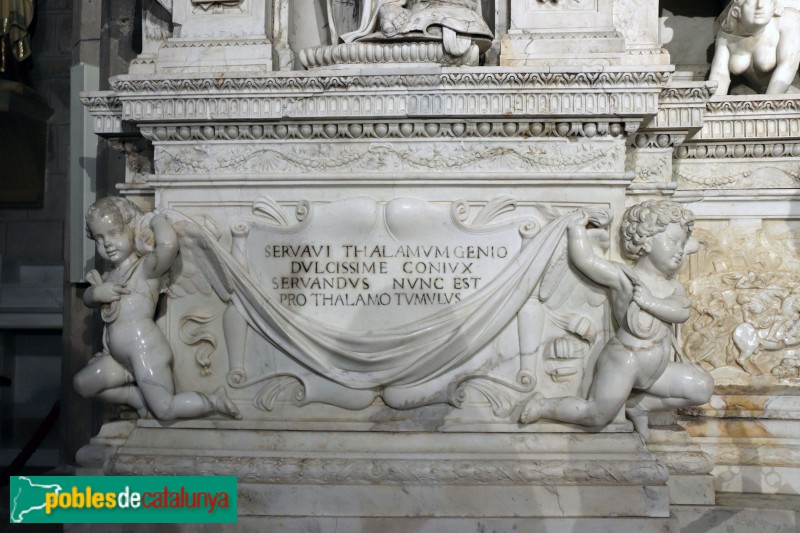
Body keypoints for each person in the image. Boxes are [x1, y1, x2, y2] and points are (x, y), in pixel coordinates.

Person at [519, 201, 714, 440]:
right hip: (626, 360)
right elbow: (586, 261)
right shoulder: (626, 278)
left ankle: (639, 406)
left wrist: (649, 302)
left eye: (683, 244)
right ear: (647, 240)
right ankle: (543, 406)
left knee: (702, 386)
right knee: (597, 415)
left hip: (658, 368)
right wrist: (576, 229)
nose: (680, 250)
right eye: (673, 241)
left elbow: (681, 312)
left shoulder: (673, 287)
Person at [73, 197, 240, 420]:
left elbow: (169, 246)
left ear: (132, 229)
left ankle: (214, 401)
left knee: (165, 409)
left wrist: (155, 219)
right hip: (120, 358)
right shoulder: (109, 276)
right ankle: (137, 399)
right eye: (99, 238)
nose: (107, 244)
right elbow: (88, 299)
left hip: (146, 351)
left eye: (114, 233)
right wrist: (96, 293)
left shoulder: (145, 268)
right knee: (82, 384)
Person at [709, 0, 800, 95]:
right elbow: (720, 74)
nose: (759, 5)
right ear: (736, 11)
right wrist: (714, 106)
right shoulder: (726, 34)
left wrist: (768, 105)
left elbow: (787, 66)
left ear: (774, 6)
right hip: (753, 93)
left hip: (787, 92)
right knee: (738, 93)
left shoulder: (790, 19)